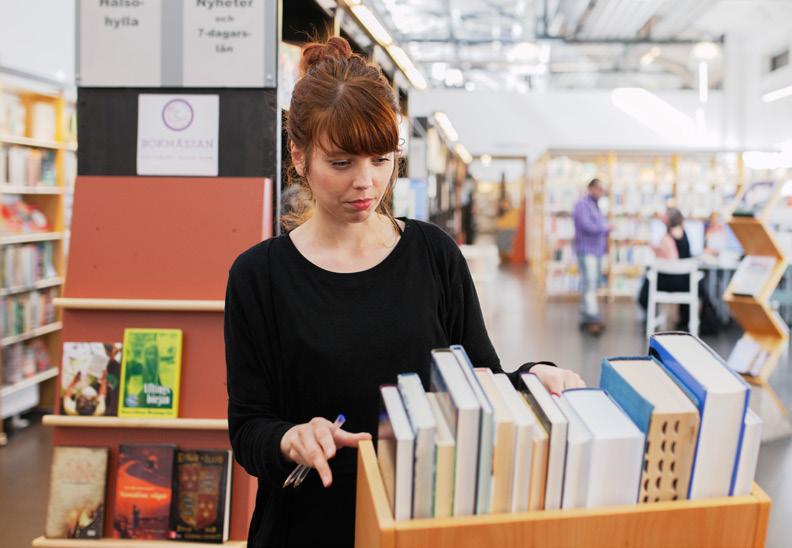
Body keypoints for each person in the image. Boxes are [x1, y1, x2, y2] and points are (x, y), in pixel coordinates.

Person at [224, 36, 585, 548]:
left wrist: (531, 379)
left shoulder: (434, 255)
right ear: (299, 156)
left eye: (381, 159)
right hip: (308, 523)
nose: (367, 183)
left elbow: (479, 377)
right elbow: (248, 427)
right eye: (342, 163)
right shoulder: (258, 276)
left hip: (422, 518)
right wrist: (290, 437)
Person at [638, 207, 694, 331]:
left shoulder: (667, 238)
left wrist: (657, 252)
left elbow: (671, 259)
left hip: (668, 282)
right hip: (685, 283)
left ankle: (649, 317)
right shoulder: (684, 234)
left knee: (648, 282)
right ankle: (685, 321)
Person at [572, 178, 610, 335]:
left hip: (597, 250)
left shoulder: (596, 205)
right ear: (591, 188)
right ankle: (593, 318)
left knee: (591, 283)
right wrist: (605, 227)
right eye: (599, 189)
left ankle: (586, 316)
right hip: (587, 250)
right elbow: (587, 226)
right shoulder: (582, 204)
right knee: (590, 283)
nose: (601, 192)